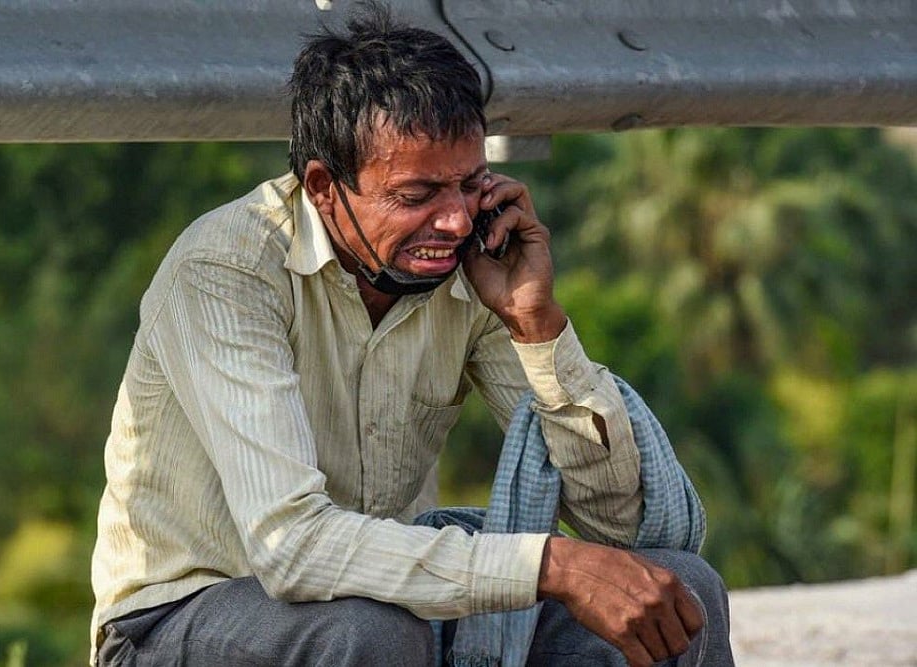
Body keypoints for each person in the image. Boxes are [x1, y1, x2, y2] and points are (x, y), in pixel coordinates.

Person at [90, 4, 733, 666]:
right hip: (176, 621)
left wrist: (536, 324)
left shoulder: (473, 267)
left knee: (681, 593)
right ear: (324, 187)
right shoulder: (227, 269)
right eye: (418, 194)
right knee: (372, 634)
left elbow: (624, 528)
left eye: (468, 185)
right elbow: (291, 547)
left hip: (388, 608)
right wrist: (552, 562)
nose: (455, 221)